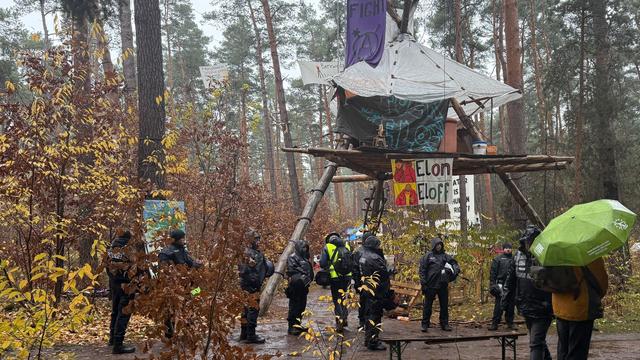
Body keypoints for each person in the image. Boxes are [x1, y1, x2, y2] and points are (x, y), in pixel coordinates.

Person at [503, 226, 553, 360]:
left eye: (533, 241)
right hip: (525, 306)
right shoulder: (517, 256)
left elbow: (555, 281)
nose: (529, 244)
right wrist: (505, 300)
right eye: (528, 241)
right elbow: (511, 279)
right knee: (538, 341)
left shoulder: (547, 256)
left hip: (543, 308)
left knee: (535, 343)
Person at [553, 257, 608, 360]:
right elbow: (601, 281)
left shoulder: (556, 254)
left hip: (559, 307)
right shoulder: (589, 254)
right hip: (580, 308)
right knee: (577, 352)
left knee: (563, 350)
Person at [158, 229, 201, 339]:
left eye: (184, 238)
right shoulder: (165, 253)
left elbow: (190, 263)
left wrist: (198, 264)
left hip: (188, 286)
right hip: (173, 287)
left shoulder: (183, 250)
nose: (184, 240)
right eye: (182, 238)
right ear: (176, 239)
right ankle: (169, 334)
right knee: (171, 309)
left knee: (195, 296)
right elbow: (164, 271)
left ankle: (188, 329)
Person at [238, 229, 273, 344]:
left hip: (248, 285)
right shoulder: (249, 253)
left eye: (258, 239)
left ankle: (244, 333)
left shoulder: (249, 252)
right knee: (252, 310)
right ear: (250, 240)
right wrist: (254, 282)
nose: (258, 241)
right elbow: (245, 271)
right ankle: (250, 335)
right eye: (256, 239)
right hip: (250, 286)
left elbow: (263, 268)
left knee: (246, 310)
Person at [419, 236, 460, 332]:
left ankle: (444, 323)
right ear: (434, 245)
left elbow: (453, 263)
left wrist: (456, 268)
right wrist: (423, 283)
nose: (439, 247)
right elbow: (422, 270)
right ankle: (425, 324)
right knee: (427, 305)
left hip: (442, 284)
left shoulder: (445, 256)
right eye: (437, 245)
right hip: (430, 285)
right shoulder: (428, 256)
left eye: (440, 245)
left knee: (444, 305)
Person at [358, 235, 390, 351]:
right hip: (376, 291)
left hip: (367, 289)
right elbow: (383, 274)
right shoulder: (375, 258)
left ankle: (369, 339)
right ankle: (373, 341)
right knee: (375, 316)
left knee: (369, 315)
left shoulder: (363, 256)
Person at [106, 230, 136, 354]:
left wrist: (113, 279)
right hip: (127, 285)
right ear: (129, 238)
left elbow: (107, 266)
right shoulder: (129, 250)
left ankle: (112, 339)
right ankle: (118, 345)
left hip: (114, 284)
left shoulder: (111, 249)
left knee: (115, 311)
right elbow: (135, 268)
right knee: (123, 313)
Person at [319, 232, 352, 332]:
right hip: (347, 277)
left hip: (335, 278)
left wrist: (329, 265)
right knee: (343, 298)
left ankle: (339, 322)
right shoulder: (347, 245)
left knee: (337, 299)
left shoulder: (327, 247)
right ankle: (345, 318)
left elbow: (322, 263)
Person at [286, 239, 314, 336]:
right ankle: (292, 327)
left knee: (302, 306)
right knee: (294, 306)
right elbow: (292, 269)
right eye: (303, 247)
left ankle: (298, 325)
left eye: (306, 247)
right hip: (295, 287)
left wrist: (308, 278)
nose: (305, 249)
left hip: (304, 287)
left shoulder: (305, 258)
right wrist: (303, 274)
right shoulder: (292, 257)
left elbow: (309, 270)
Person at [489, 243, 516, 330]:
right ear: (503, 249)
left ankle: (510, 323)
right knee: (499, 305)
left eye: (509, 248)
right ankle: (495, 323)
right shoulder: (498, 259)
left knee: (511, 305)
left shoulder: (514, 259)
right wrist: (493, 284)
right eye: (506, 248)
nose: (508, 249)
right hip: (500, 284)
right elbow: (493, 273)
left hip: (512, 285)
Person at [352, 231, 373, 329]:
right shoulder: (361, 252)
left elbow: (354, 268)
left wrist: (357, 283)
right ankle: (364, 321)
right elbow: (355, 268)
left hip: (363, 282)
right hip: (367, 282)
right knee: (366, 302)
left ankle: (363, 321)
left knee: (363, 302)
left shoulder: (358, 251)